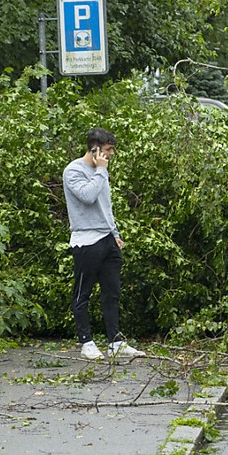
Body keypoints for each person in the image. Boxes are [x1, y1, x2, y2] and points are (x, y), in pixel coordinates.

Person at [63, 127, 145, 360]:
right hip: (86, 241)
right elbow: (88, 197)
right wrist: (100, 171)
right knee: (83, 292)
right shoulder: (73, 170)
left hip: (108, 239)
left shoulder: (102, 171)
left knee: (112, 292)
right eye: (108, 150)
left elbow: (104, 206)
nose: (111, 155)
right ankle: (86, 342)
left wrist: (115, 233)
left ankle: (115, 341)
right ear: (95, 149)